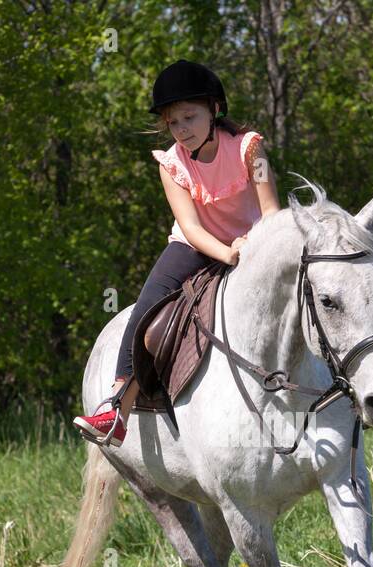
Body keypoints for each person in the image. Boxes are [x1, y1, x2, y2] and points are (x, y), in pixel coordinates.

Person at [73, 59, 281, 447]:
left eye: (190, 117)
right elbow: (192, 228)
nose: (182, 129)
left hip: (256, 243)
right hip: (196, 247)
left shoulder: (250, 148)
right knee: (147, 309)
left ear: (214, 110)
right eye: (174, 123)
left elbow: (271, 212)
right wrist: (227, 254)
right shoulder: (171, 164)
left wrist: (253, 247)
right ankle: (117, 406)